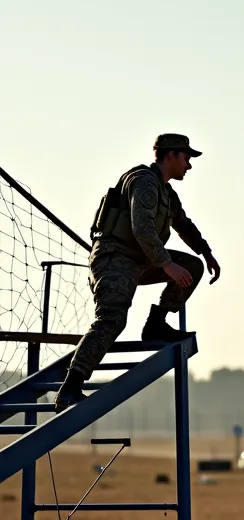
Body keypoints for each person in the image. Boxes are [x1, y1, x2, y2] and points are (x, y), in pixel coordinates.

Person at [54, 133, 221, 411]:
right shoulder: (144, 182)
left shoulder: (166, 192)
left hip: (141, 260)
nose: (189, 165)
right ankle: (70, 387)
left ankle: (156, 323)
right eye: (186, 158)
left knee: (192, 266)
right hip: (114, 257)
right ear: (170, 156)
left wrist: (206, 252)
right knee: (112, 319)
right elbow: (141, 227)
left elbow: (183, 224)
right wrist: (167, 264)